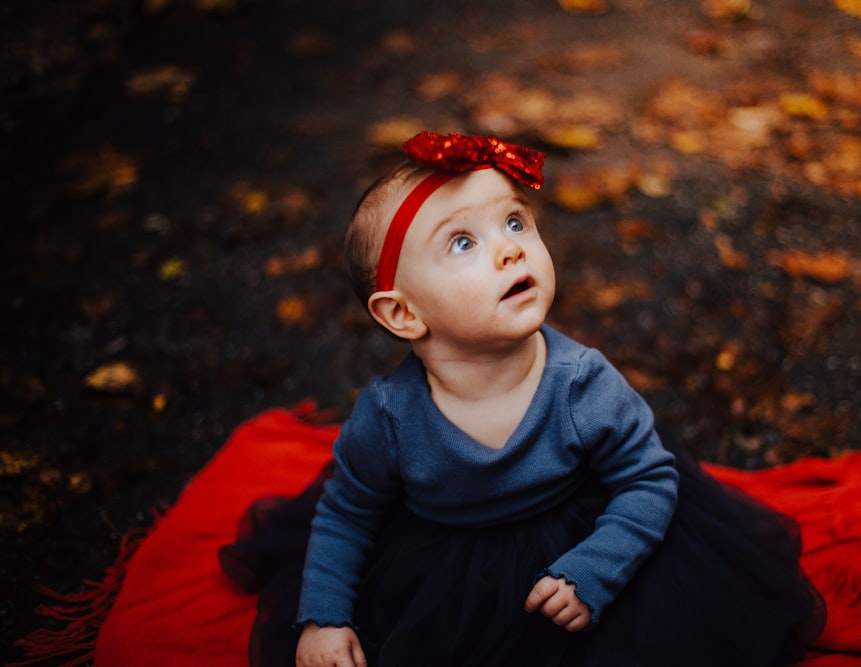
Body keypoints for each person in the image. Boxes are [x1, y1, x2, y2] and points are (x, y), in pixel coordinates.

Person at [220, 132, 824, 667]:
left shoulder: (581, 383)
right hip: (444, 571)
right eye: (462, 243)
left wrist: (596, 570)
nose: (511, 249)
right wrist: (325, 615)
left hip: (579, 542)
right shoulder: (389, 414)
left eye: (515, 222)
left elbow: (648, 481)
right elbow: (349, 512)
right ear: (402, 313)